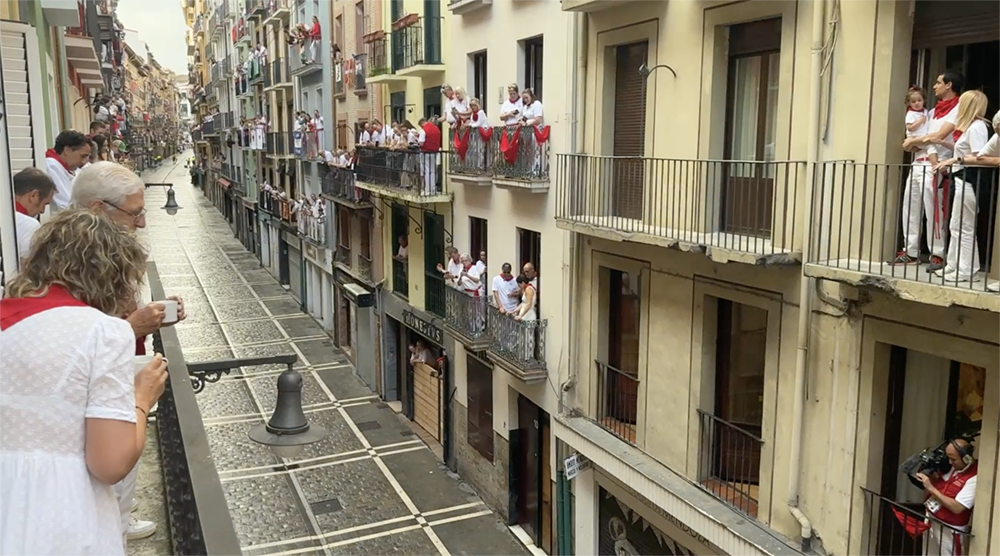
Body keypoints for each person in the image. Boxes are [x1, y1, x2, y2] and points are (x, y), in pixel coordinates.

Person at [0, 209, 169, 556]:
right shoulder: (102, 332)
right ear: (110, 274)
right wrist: (141, 397)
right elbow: (110, 463)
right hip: (60, 516)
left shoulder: (8, 320)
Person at [72, 161, 187, 542]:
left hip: (124, 364)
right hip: (100, 389)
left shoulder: (101, 254)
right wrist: (132, 327)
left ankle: (119, 518)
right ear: (97, 210)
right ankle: (114, 528)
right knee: (116, 456)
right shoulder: (71, 263)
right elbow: (75, 339)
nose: (141, 224)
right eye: (134, 214)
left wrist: (152, 316)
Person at [900, 71, 964, 270]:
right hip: (919, 161)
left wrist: (912, 141)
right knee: (910, 207)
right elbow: (926, 136)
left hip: (937, 164)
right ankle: (910, 251)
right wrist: (914, 142)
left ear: (949, 85)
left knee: (934, 210)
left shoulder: (958, 106)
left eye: (938, 83)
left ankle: (937, 253)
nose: (934, 86)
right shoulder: (934, 110)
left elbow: (939, 135)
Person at [932, 90, 991, 283]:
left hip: (969, 180)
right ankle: (954, 265)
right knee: (956, 224)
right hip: (961, 179)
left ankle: (966, 270)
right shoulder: (972, 127)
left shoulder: (977, 128)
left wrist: (954, 160)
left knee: (965, 226)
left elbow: (980, 157)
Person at [914, 439, 977, 556]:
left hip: (950, 529)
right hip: (932, 520)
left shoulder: (974, 478)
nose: (950, 462)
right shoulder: (952, 467)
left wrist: (930, 487)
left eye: (953, 459)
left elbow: (957, 507)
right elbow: (942, 484)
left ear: (966, 458)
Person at [13, 168, 56, 261]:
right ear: (33, 195)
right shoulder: (29, 225)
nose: (42, 211)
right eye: (45, 204)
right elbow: (27, 268)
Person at [46, 130, 92, 211]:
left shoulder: (74, 169)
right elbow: (64, 204)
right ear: (67, 150)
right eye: (82, 156)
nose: (85, 161)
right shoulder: (51, 166)